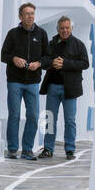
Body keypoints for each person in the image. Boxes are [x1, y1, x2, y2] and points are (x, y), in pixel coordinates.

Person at [0, 3, 48, 160]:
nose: (30, 16)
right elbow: (3, 55)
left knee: (33, 116)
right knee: (14, 114)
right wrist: (14, 59)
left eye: (32, 13)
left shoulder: (41, 34)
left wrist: (39, 63)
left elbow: (47, 58)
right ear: (20, 17)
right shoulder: (13, 34)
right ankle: (12, 149)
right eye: (27, 13)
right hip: (15, 81)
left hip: (33, 82)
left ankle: (27, 149)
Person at [39, 15, 89, 159]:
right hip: (53, 87)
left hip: (70, 89)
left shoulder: (79, 45)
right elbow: (45, 60)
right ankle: (48, 149)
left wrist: (65, 63)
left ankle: (70, 149)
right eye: (62, 28)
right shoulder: (51, 43)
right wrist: (52, 62)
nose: (64, 30)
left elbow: (85, 64)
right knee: (49, 119)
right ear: (58, 29)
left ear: (71, 28)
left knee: (70, 120)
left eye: (67, 28)